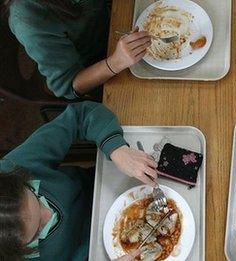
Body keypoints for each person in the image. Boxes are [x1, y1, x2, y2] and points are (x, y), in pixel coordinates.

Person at [0, 101, 158, 260]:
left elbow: (79, 116)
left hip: (100, 186)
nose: (49, 214)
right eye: (38, 229)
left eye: (37, 199)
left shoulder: (14, 168)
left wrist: (117, 149)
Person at [5, 0, 151, 99]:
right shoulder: (29, 19)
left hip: (115, 24)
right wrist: (115, 63)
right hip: (98, 69)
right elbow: (69, 86)